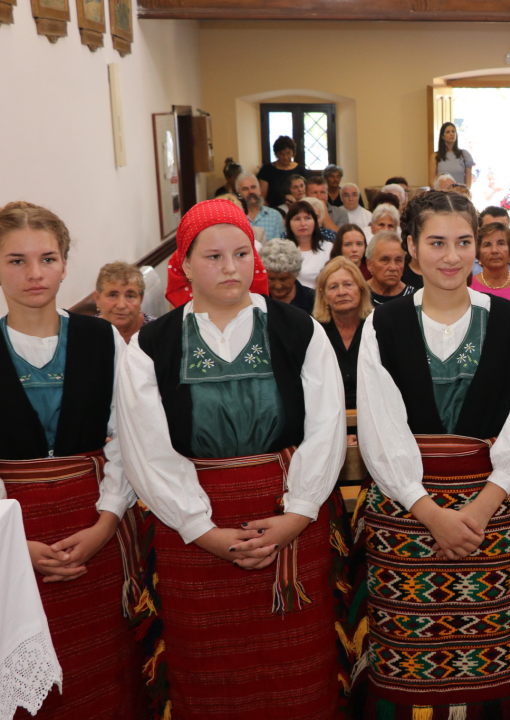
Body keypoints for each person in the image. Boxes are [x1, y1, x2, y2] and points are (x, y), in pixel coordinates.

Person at [119, 199, 347, 719]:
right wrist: (202, 528)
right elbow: (146, 448)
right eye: (213, 256)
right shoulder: (152, 345)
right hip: (194, 533)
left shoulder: (298, 331)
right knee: (209, 680)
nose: (229, 268)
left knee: (298, 679)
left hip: (289, 520)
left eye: (241, 253)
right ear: (183, 265)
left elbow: (327, 428)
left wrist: (297, 513)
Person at [352, 190, 510, 719]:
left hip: (490, 510)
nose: (452, 256)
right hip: (406, 514)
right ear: (411, 247)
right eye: (436, 242)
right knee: (405, 658)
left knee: (489, 658)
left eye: (464, 242)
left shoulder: (509, 322)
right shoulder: (383, 325)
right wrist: (429, 512)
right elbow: (380, 431)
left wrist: (479, 509)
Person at [0, 202, 142, 720]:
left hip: (95, 527)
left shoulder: (103, 339)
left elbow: (128, 440)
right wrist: (14, 544)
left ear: (65, 264)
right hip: (14, 541)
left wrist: (107, 521)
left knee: (105, 675)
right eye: (16, 260)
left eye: (47, 258)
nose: (34, 274)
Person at [313, 256, 372, 411]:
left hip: (373, 417)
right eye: (333, 287)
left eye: (348, 285)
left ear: (361, 289)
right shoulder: (315, 333)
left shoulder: (376, 328)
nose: (341, 292)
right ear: (324, 296)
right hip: (329, 418)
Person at [94, 261, 154, 343]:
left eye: (130, 296)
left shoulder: (159, 332)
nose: (121, 305)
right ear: (97, 298)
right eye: (112, 295)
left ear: (141, 299)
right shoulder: (85, 333)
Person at [284, 200, 332, 288]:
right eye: (297, 219)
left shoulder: (329, 248)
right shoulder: (282, 250)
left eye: (307, 218)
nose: (303, 224)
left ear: (315, 222)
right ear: (289, 223)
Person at [263, 238, 316, 314]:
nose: (278, 286)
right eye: (271, 279)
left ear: (295, 275)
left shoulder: (314, 300)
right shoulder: (256, 300)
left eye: (283, 279)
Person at [365, 229, 414, 305]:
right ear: (369, 264)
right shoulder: (358, 295)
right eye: (385, 260)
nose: (393, 268)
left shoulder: (415, 299)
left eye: (398, 260)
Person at [236, 171, 286, 241]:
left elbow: (280, 246)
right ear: (239, 194)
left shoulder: (275, 216)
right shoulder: (235, 218)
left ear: (260, 190)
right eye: (245, 189)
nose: (251, 192)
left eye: (253, 187)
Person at [257, 136, 304, 208]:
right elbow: (262, 197)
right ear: (276, 154)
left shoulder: (301, 170)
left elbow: (306, 194)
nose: (285, 157)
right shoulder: (267, 170)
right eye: (282, 154)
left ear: (293, 152)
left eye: (288, 153)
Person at [429, 121, 475, 188]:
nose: (451, 134)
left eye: (453, 131)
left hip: (460, 194)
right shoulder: (435, 156)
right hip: (442, 195)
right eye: (448, 132)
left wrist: (464, 193)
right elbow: (432, 182)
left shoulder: (464, 155)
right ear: (442, 136)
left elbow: (468, 182)